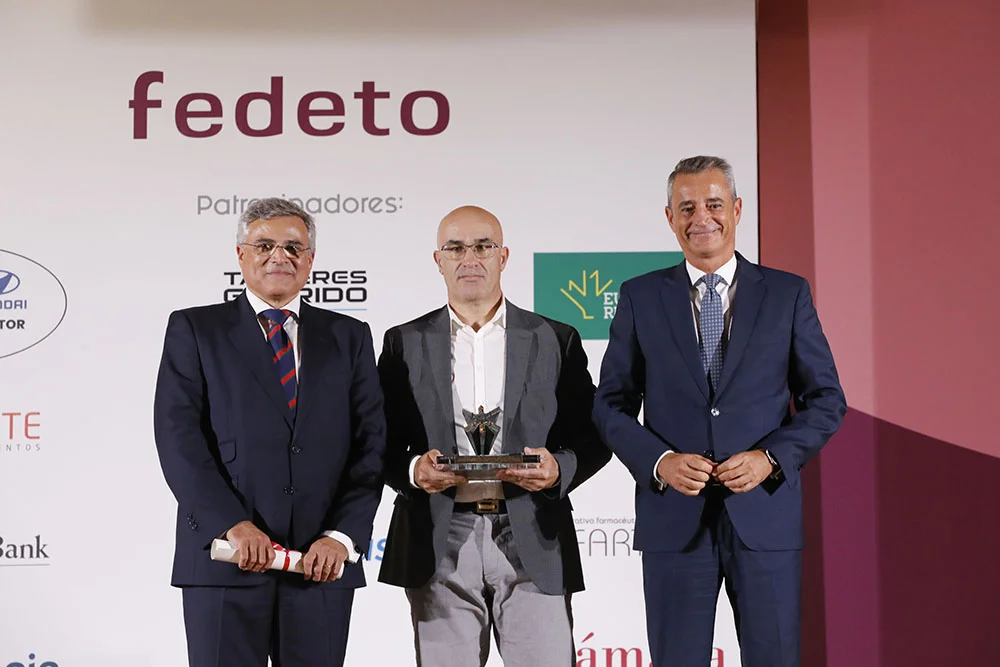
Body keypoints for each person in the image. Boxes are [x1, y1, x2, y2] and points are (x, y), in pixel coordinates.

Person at [592, 156, 847, 667]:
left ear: (737, 209)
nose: (701, 218)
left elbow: (826, 400)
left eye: (713, 204)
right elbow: (610, 405)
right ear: (670, 217)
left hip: (764, 517)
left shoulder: (787, 293)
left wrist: (770, 459)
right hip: (674, 519)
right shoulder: (640, 296)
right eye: (687, 208)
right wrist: (660, 461)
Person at [153, 197, 386, 667]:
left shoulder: (350, 336)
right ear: (241, 255)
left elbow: (372, 445)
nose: (280, 256)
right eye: (264, 245)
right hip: (225, 561)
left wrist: (340, 537)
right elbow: (180, 441)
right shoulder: (195, 329)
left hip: (320, 566)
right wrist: (233, 525)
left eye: (293, 247)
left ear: (311, 259)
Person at [377, 205, 610, 666]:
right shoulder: (402, 341)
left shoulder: (556, 338)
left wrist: (558, 468)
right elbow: (375, 439)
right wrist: (413, 470)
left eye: (483, 246)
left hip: (533, 531)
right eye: (455, 248)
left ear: (503, 256)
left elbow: (595, 433)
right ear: (438, 260)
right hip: (438, 536)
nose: (470, 258)